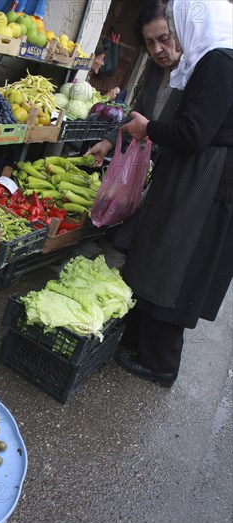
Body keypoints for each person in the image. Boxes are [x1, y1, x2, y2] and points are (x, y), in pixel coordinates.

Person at [114, 0, 233, 387]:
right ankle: (143, 348)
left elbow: (194, 133)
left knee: (175, 265)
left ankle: (161, 365)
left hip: (204, 179)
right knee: (164, 256)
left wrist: (149, 129)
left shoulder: (219, 63)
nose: (170, 43)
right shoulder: (208, 61)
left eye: (172, 32)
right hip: (197, 174)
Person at [87, 0, 183, 269]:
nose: (157, 49)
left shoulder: (197, 73)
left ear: (179, 33)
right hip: (153, 161)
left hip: (177, 167)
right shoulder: (153, 69)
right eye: (150, 43)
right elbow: (137, 111)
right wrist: (107, 141)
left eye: (163, 39)